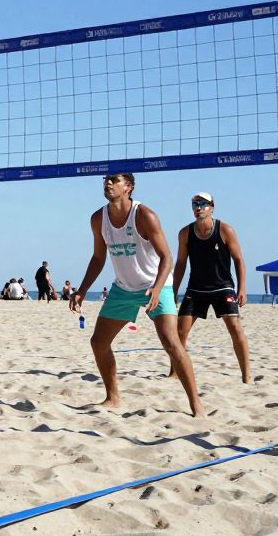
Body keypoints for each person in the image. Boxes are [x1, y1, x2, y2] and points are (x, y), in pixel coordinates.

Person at [69, 172, 203, 417]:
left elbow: (167, 258)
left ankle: (196, 405)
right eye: (106, 180)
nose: (108, 183)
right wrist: (82, 290)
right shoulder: (98, 218)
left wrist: (158, 288)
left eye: (114, 180)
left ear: (128, 187)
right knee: (98, 343)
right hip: (124, 288)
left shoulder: (144, 215)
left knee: (172, 343)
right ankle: (112, 398)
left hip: (156, 284)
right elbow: (99, 258)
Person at [169, 192, 251, 384]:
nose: (199, 208)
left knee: (236, 329)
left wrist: (242, 288)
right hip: (196, 288)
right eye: (195, 204)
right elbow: (180, 263)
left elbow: (239, 260)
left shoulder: (225, 230)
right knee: (180, 332)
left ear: (212, 207)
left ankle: (246, 376)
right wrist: (173, 290)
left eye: (203, 204)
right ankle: (173, 372)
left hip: (222, 287)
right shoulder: (185, 233)